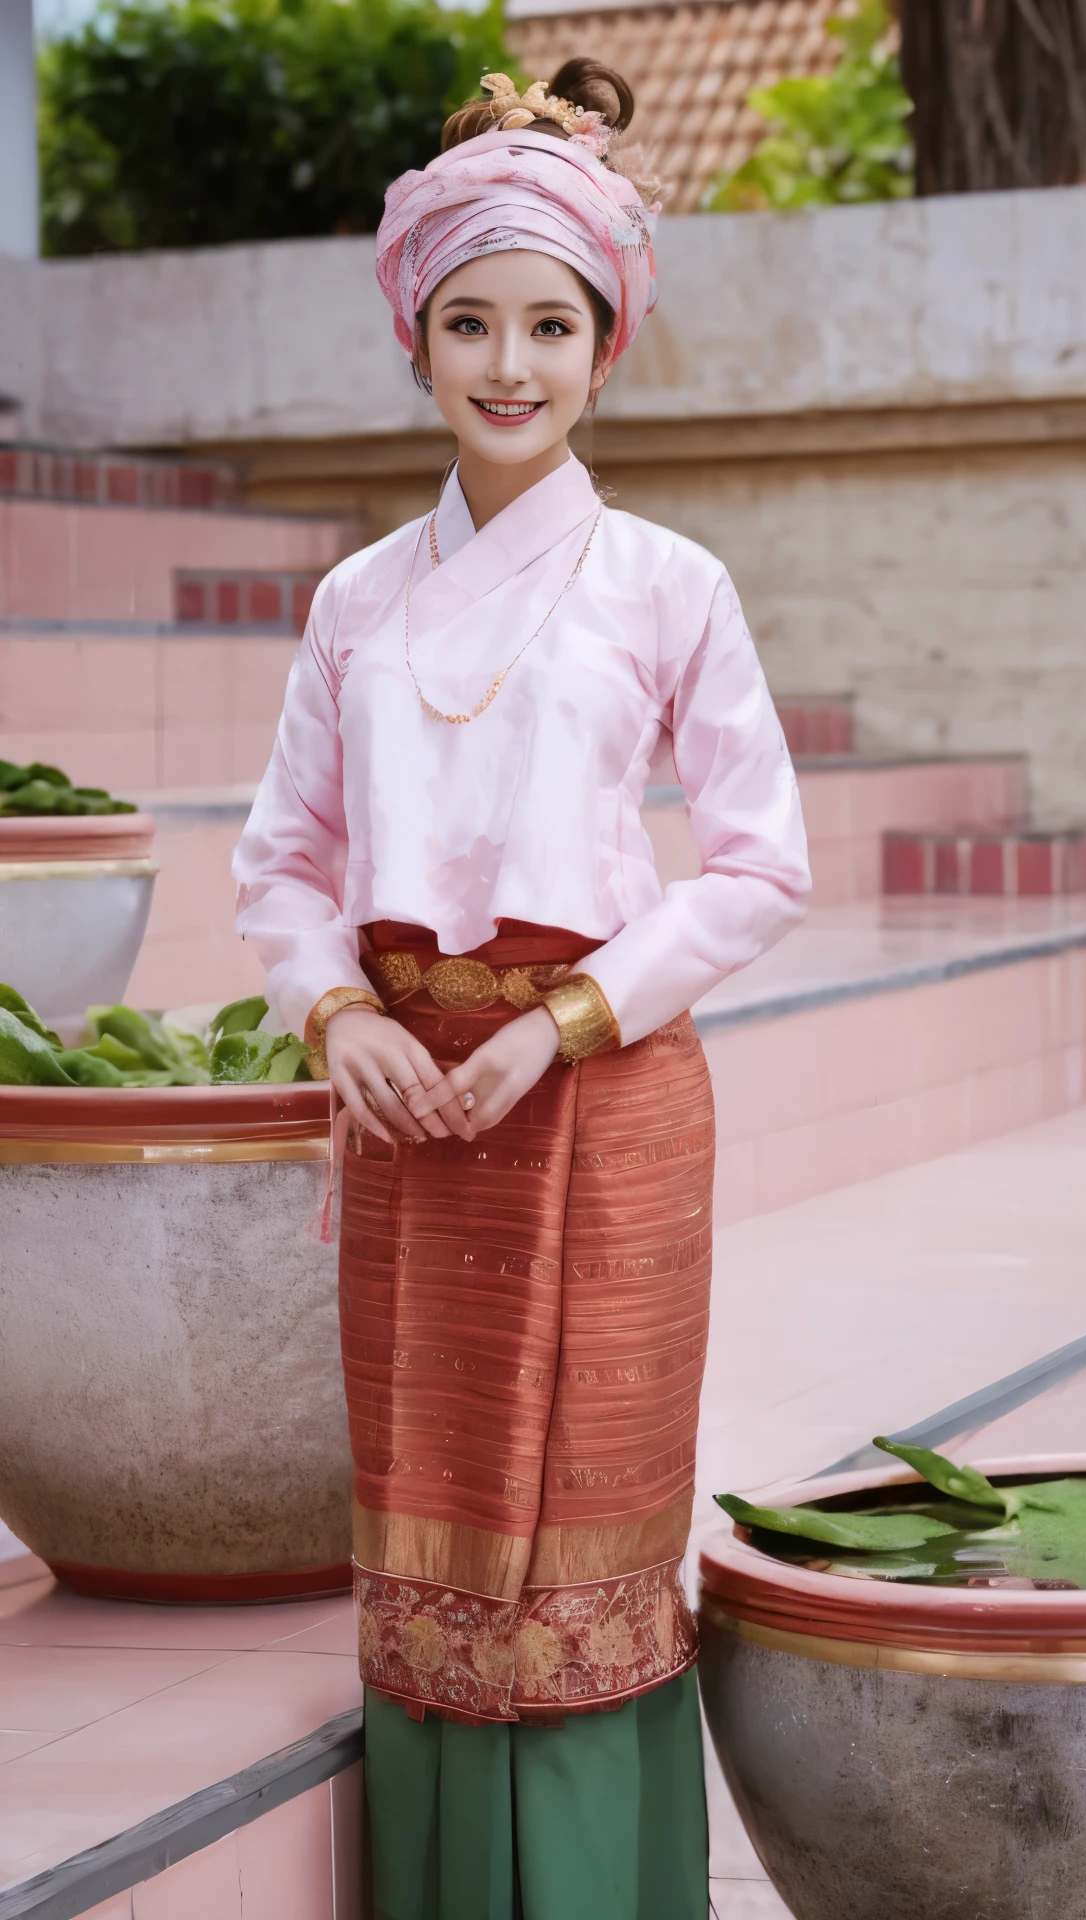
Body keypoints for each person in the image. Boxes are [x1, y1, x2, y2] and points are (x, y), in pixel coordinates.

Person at [233, 56, 810, 1920]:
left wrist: (569, 1021)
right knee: (435, 1510)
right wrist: (346, 1020)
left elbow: (759, 862)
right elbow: (282, 863)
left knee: (579, 1521)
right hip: (415, 1110)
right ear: (416, 336)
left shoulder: (668, 584)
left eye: (549, 323)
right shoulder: (353, 604)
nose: (509, 361)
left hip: (603, 1098)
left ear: (606, 343)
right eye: (470, 320)